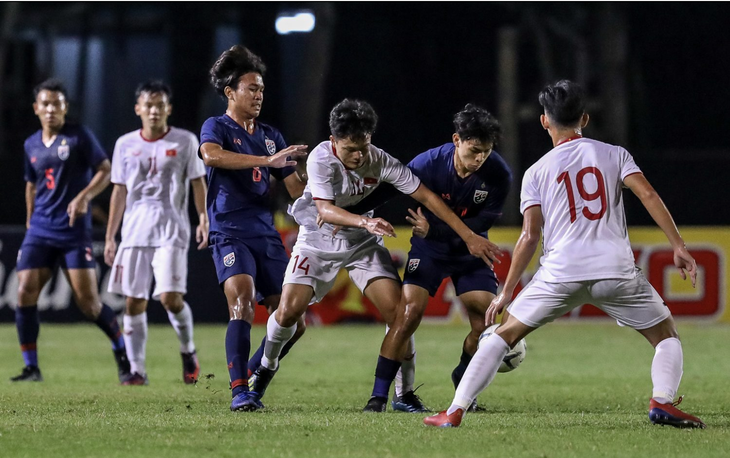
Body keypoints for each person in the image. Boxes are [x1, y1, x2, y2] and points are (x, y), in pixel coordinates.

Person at [424, 80, 705, 428]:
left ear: (544, 121)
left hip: (560, 273)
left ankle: (455, 411)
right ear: (584, 118)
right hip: (614, 270)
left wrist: (507, 292)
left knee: (501, 334)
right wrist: (678, 245)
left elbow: (529, 236)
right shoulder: (615, 154)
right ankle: (662, 401)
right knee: (665, 336)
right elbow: (648, 195)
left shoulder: (536, 171)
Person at [248, 98, 501, 413]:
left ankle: (403, 394)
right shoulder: (320, 159)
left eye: (363, 147)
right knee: (288, 312)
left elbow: (426, 195)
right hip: (317, 240)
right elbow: (325, 210)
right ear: (333, 142)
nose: (357, 156)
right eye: (350, 149)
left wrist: (468, 235)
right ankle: (265, 368)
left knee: (400, 315)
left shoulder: (380, 160)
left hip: (362, 244)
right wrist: (366, 220)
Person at [345, 104, 511, 412]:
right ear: (456, 140)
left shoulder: (498, 174)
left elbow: (481, 226)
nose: (479, 159)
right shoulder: (428, 163)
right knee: (407, 315)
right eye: (474, 150)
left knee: (485, 322)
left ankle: (464, 381)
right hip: (429, 250)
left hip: (468, 249)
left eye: (486, 152)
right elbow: (388, 190)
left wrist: (433, 230)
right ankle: (379, 397)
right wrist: (346, 211)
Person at [199, 45, 308, 411]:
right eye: (251, 88)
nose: (259, 95)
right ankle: (239, 391)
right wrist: (266, 160)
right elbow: (211, 156)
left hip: (265, 234)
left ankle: (250, 375)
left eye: (261, 89)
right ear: (231, 93)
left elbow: (296, 191)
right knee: (242, 305)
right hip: (229, 230)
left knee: (294, 322)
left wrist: (319, 171)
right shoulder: (217, 127)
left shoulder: (271, 136)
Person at [12, 78, 130, 382]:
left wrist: (84, 197)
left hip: (73, 232)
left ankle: (122, 352)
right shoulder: (31, 144)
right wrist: (29, 219)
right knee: (24, 291)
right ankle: (31, 367)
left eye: (57, 104)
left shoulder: (79, 137)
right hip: (40, 229)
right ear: (37, 108)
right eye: (46, 104)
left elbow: (105, 170)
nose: (51, 109)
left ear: (65, 108)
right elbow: (31, 183)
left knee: (89, 304)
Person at [105, 80, 207, 385]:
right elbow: (119, 191)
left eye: (159, 105)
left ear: (168, 109)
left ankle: (188, 351)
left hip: (171, 230)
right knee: (133, 302)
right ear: (138, 109)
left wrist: (203, 218)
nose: (154, 110)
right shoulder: (124, 144)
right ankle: (137, 370)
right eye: (148, 105)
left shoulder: (185, 141)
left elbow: (198, 182)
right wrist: (110, 236)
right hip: (135, 231)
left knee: (170, 299)